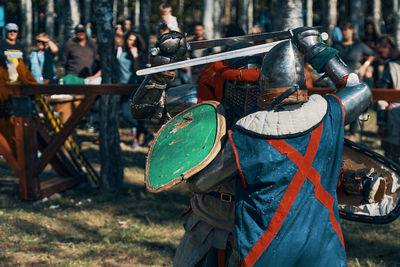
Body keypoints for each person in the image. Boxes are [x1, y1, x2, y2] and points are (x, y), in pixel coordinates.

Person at [130, 26, 372, 266]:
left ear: (266, 81)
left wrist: (317, 49)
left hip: (266, 223)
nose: (245, 91)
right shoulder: (204, 105)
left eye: (252, 84)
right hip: (207, 220)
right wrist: (161, 69)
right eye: (238, 84)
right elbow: (143, 110)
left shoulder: (284, 119)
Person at [333, 22, 376, 141]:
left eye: (347, 30)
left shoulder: (359, 45)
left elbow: (372, 54)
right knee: (339, 105)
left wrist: (365, 66)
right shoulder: (337, 46)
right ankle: (339, 131)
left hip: (356, 79)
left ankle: (353, 133)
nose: (345, 32)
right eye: (343, 30)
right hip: (339, 80)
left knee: (355, 105)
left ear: (352, 31)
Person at [116, 31, 149, 145]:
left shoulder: (141, 55)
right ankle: (147, 133)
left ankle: (136, 140)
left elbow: (139, 71)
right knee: (126, 114)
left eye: (134, 41)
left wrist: (135, 56)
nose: (132, 43)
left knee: (137, 114)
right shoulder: (120, 51)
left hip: (137, 87)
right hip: (123, 86)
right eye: (130, 40)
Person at [376, 36, 400, 165]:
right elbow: (383, 97)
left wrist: (381, 123)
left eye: (381, 52)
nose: (380, 56)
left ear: (388, 48)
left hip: (395, 118)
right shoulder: (390, 66)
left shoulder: (391, 66)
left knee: (393, 161)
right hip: (394, 116)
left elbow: (382, 97)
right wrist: (381, 122)